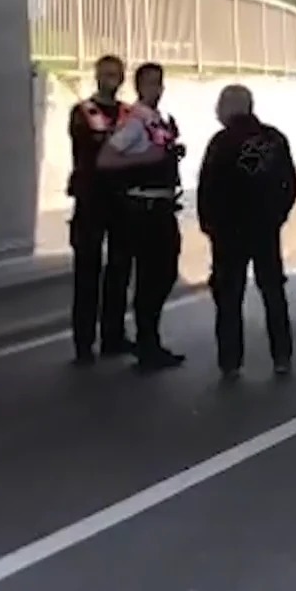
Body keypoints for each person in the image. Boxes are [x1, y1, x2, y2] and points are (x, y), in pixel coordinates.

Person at [198, 84, 296, 380]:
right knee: (272, 291)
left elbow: (208, 188)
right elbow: (289, 183)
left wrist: (210, 225)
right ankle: (281, 355)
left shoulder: (221, 143)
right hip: (265, 227)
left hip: (229, 230)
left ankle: (230, 360)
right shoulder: (273, 139)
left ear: (227, 109)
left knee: (229, 296)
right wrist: (279, 215)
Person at [98, 62, 190, 373]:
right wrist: (147, 159)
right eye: (151, 83)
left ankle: (150, 342)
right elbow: (107, 158)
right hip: (145, 210)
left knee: (163, 274)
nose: (158, 89)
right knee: (153, 278)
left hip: (162, 206)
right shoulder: (135, 122)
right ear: (139, 86)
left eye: (160, 83)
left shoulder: (156, 120)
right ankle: (147, 346)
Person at [67, 54, 135, 365]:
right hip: (91, 200)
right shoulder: (83, 112)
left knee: (120, 269)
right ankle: (83, 341)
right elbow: (92, 146)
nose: (110, 78)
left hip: (120, 202)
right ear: (96, 75)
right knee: (87, 272)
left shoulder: (129, 113)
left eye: (116, 74)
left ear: (122, 78)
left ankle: (113, 335)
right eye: (105, 73)